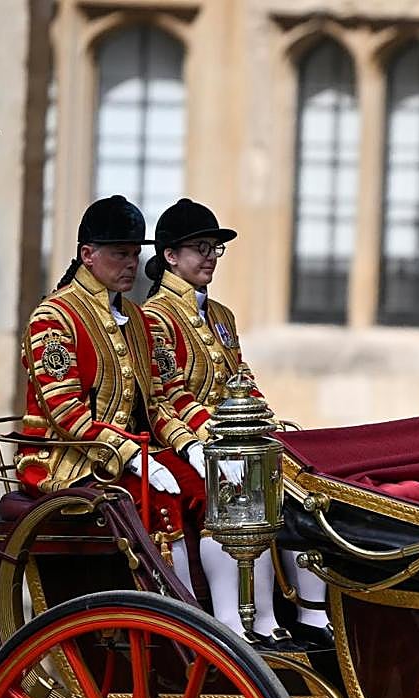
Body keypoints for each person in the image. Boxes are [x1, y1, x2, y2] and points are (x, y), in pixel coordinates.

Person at [144, 198, 330, 649]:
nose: (210, 257)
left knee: (304, 485)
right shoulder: (153, 317)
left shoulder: (221, 316)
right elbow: (170, 394)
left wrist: (265, 424)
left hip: (236, 436)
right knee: (239, 490)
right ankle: (236, 621)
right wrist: (224, 438)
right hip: (189, 440)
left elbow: (240, 381)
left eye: (214, 248)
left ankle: (311, 614)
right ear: (170, 256)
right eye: (199, 248)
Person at [18, 194, 206, 570]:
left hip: (129, 457)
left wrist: (191, 448)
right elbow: (65, 413)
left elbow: (156, 403)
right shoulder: (54, 317)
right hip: (66, 460)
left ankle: (224, 616)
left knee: (208, 489)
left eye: (135, 254)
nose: (132, 264)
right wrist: (132, 455)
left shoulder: (136, 318)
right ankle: (176, 616)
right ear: (88, 255)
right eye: (120, 254)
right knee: (159, 501)